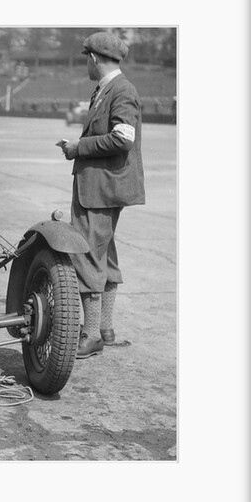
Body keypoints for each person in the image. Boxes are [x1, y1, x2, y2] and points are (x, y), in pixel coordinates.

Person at [57, 31, 146, 359]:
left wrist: (78, 147)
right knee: (104, 256)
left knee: (86, 256)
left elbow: (122, 138)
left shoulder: (121, 90)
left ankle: (91, 334)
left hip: (100, 189)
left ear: (94, 58)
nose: (87, 65)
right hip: (102, 186)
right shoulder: (109, 88)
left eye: (87, 59)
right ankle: (105, 329)